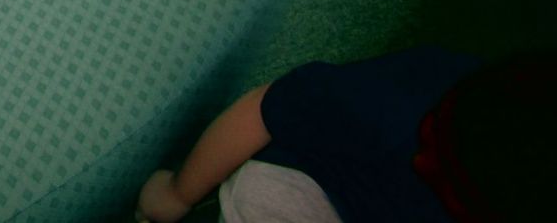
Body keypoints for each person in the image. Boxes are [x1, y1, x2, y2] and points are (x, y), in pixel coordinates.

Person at [134, 46, 557, 223]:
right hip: (315, 187)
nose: (421, 161)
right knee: (265, 195)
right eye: (430, 142)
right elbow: (265, 109)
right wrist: (177, 193)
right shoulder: (380, 103)